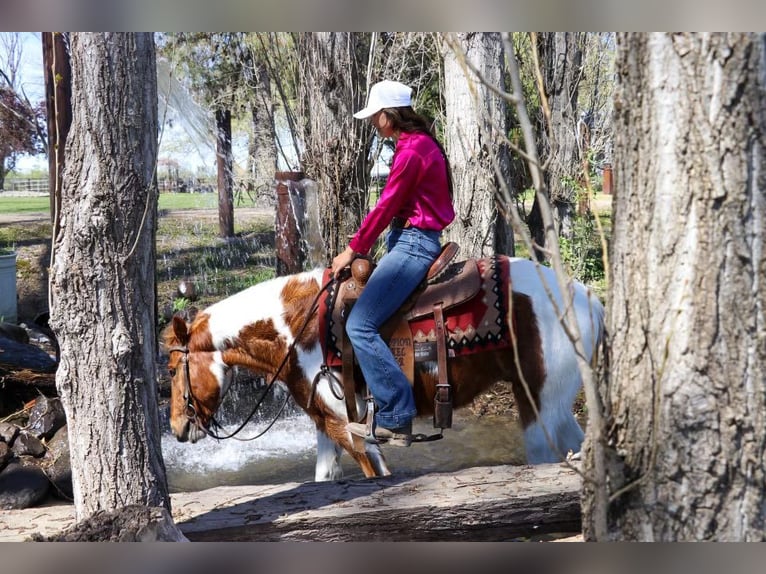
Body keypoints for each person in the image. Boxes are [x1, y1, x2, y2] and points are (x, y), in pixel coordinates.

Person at [332, 79, 455, 447]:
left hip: (414, 244)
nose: (372, 122)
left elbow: (385, 206)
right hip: (408, 239)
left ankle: (396, 412)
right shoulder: (417, 144)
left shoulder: (412, 151)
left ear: (389, 115)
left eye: (375, 116)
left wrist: (353, 249)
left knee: (360, 326)